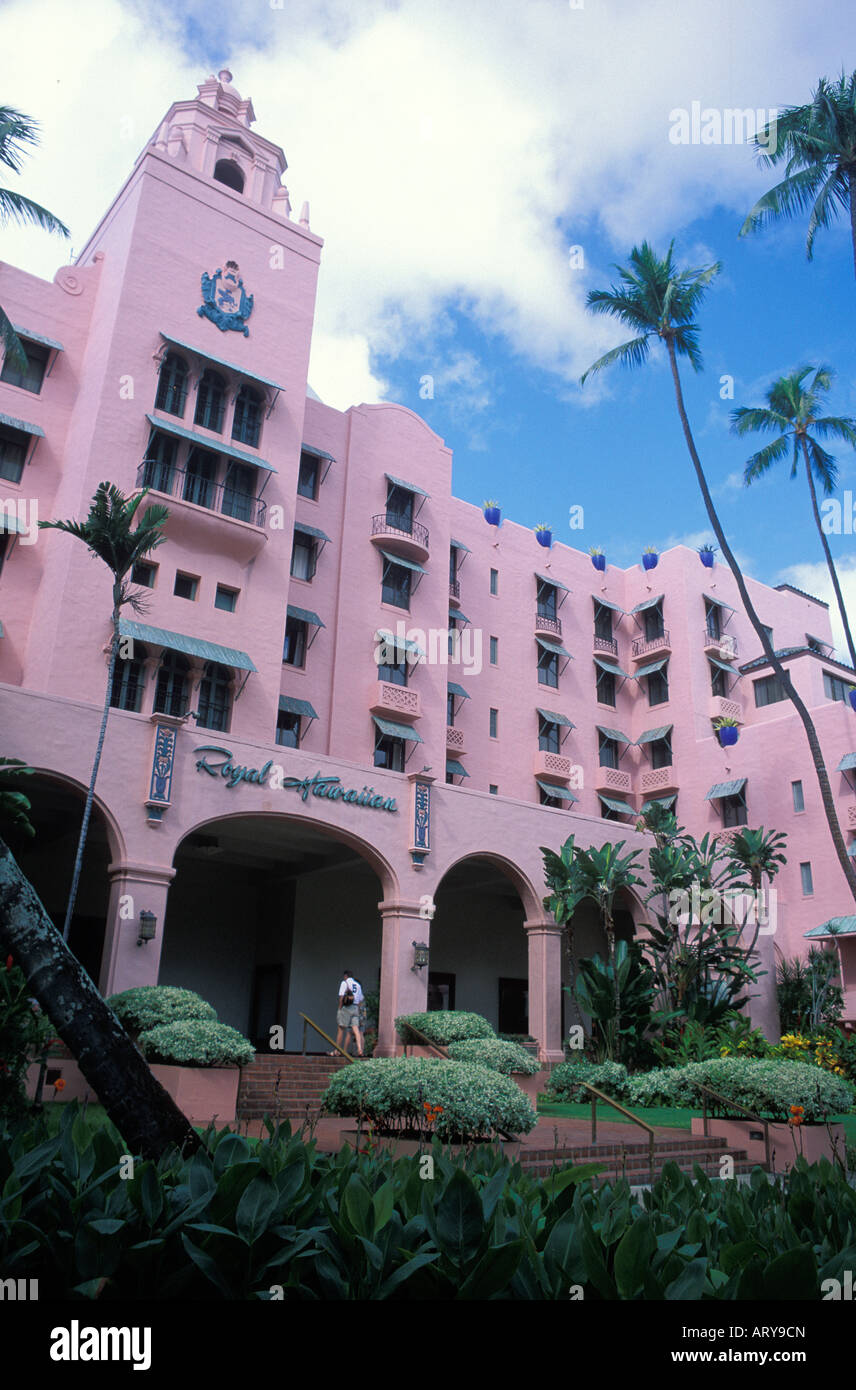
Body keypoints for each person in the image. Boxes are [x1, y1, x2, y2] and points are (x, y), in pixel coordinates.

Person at [332, 969, 364, 1057]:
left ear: (345, 976)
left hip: (346, 1008)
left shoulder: (344, 983)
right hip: (355, 1008)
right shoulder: (357, 985)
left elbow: (341, 997)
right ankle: (360, 1049)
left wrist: (339, 1008)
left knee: (341, 1029)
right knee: (356, 1029)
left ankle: (337, 1050)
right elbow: (360, 999)